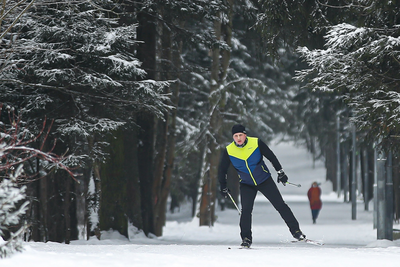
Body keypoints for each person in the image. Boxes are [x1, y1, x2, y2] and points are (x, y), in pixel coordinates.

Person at [218, 124, 305, 248]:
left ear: (245, 135)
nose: (238, 138)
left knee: (280, 205)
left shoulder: (256, 143)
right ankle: (246, 238)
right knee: (246, 211)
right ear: (233, 137)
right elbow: (222, 170)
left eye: (240, 135)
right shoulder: (229, 150)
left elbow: (271, 156)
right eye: (236, 136)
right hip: (246, 184)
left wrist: (280, 172)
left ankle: (296, 231)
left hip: (264, 180)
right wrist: (223, 186)